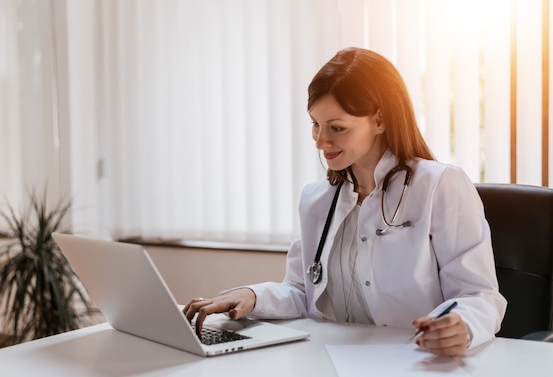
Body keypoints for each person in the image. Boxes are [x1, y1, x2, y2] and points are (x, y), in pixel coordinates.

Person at [183, 47, 507, 357]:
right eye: (315, 124)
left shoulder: (440, 186)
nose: (321, 141)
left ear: (379, 120)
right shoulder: (317, 201)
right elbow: (302, 291)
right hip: (330, 360)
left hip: (413, 360)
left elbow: (479, 296)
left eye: (337, 127)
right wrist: (253, 296)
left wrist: (461, 326)